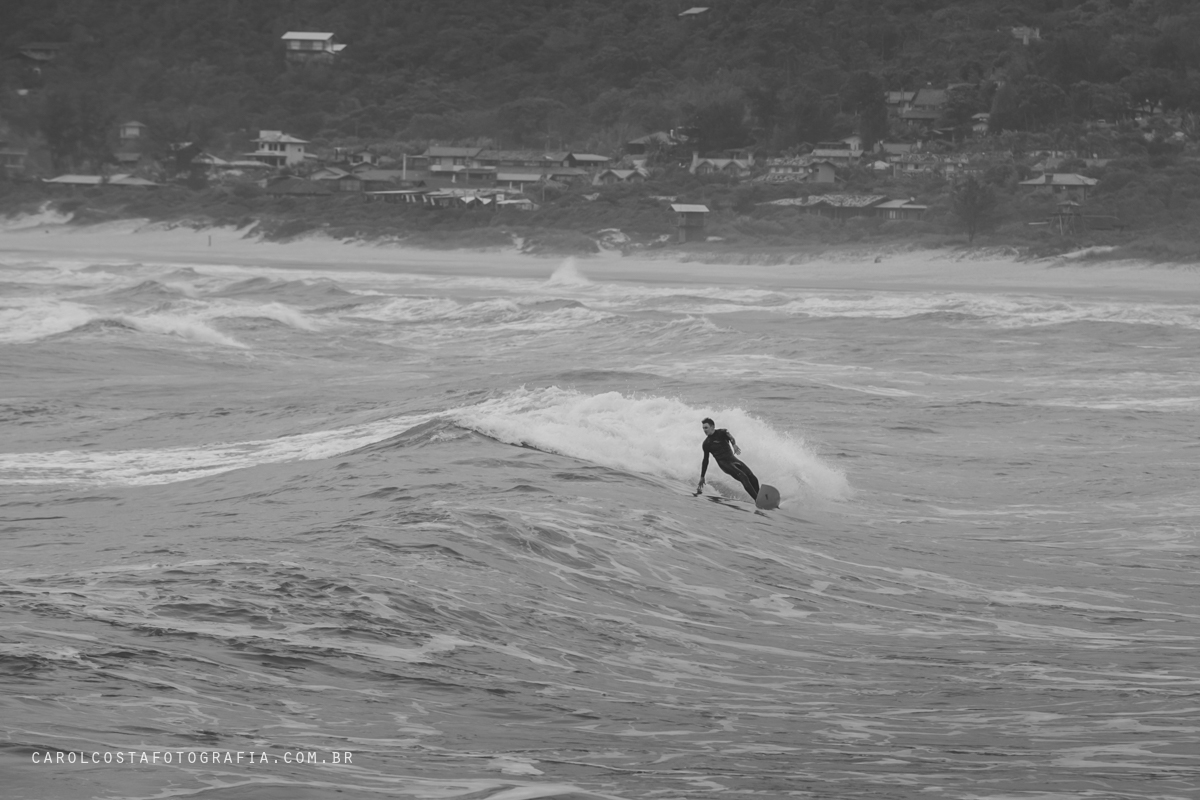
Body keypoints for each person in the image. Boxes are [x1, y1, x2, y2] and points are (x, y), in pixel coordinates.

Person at [696, 417, 760, 500]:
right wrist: (702, 476)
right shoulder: (706, 443)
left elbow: (731, 438)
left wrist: (734, 445)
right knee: (743, 477)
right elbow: (705, 460)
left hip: (733, 459)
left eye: (706, 427)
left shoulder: (722, 432)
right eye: (703, 428)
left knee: (752, 477)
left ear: (712, 427)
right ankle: (757, 500)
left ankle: (760, 497)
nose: (704, 430)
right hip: (724, 464)